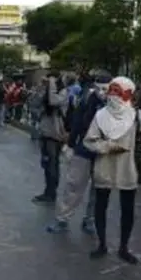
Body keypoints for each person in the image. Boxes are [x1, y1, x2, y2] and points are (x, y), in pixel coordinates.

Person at [83, 77, 141, 264]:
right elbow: (89, 140)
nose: (113, 95)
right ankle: (102, 244)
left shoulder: (135, 115)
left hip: (127, 167)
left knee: (128, 209)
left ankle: (124, 247)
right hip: (104, 166)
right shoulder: (100, 115)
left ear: (127, 93)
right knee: (101, 206)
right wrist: (107, 146)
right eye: (112, 91)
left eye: (118, 91)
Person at [47, 73, 111, 234]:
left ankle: (90, 220)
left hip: (104, 151)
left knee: (99, 190)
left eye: (105, 88)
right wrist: (70, 145)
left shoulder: (116, 103)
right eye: (98, 88)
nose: (101, 91)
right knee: (74, 186)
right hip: (84, 148)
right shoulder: (87, 99)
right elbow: (77, 121)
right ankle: (62, 220)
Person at [33, 73, 67, 203]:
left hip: (55, 135)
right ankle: (47, 191)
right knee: (46, 164)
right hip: (45, 133)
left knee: (52, 165)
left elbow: (53, 102)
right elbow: (34, 103)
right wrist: (41, 88)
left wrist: (51, 84)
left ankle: (52, 193)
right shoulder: (47, 92)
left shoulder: (63, 92)